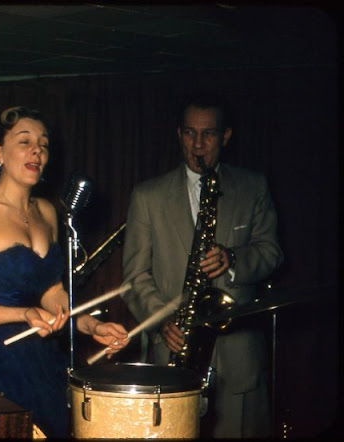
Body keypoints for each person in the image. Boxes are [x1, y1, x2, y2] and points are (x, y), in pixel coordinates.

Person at [0, 106, 129, 438]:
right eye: (25, 141)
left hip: (32, 352)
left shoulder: (47, 212)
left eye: (43, 144)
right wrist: (25, 313)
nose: (37, 151)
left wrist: (91, 325)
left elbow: (52, 292)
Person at [121, 93, 283, 438]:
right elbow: (135, 277)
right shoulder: (147, 196)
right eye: (190, 133)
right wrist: (162, 319)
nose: (198, 144)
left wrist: (233, 259)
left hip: (239, 362)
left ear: (225, 137)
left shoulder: (252, 186)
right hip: (174, 353)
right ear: (179, 135)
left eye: (208, 134)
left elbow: (271, 252)